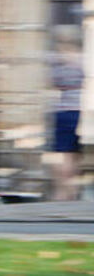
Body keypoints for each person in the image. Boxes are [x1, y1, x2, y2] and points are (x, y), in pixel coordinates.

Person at [48, 25, 83, 201]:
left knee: (63, 154)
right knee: (73, 154)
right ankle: (71, 190)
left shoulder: (56, 60)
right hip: (79, 111)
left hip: (62, 111)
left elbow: (51, 82)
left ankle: (62, 191)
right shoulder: (82, 59)